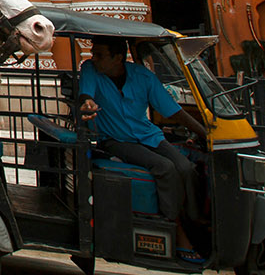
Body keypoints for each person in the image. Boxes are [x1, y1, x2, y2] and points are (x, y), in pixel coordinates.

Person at [79, 35, 208, 261]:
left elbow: (172, 110)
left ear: (118, 57)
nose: (94, 58)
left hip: (148, 135)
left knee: (186, 167)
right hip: (116, 139)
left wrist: (205, 133)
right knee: (165, 168)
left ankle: (194, 220)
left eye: (100, 54)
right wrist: (87, 103)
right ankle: (174, 227)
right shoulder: (90, 69)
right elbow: (86, 94)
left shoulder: (143, 77)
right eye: (94, 54)